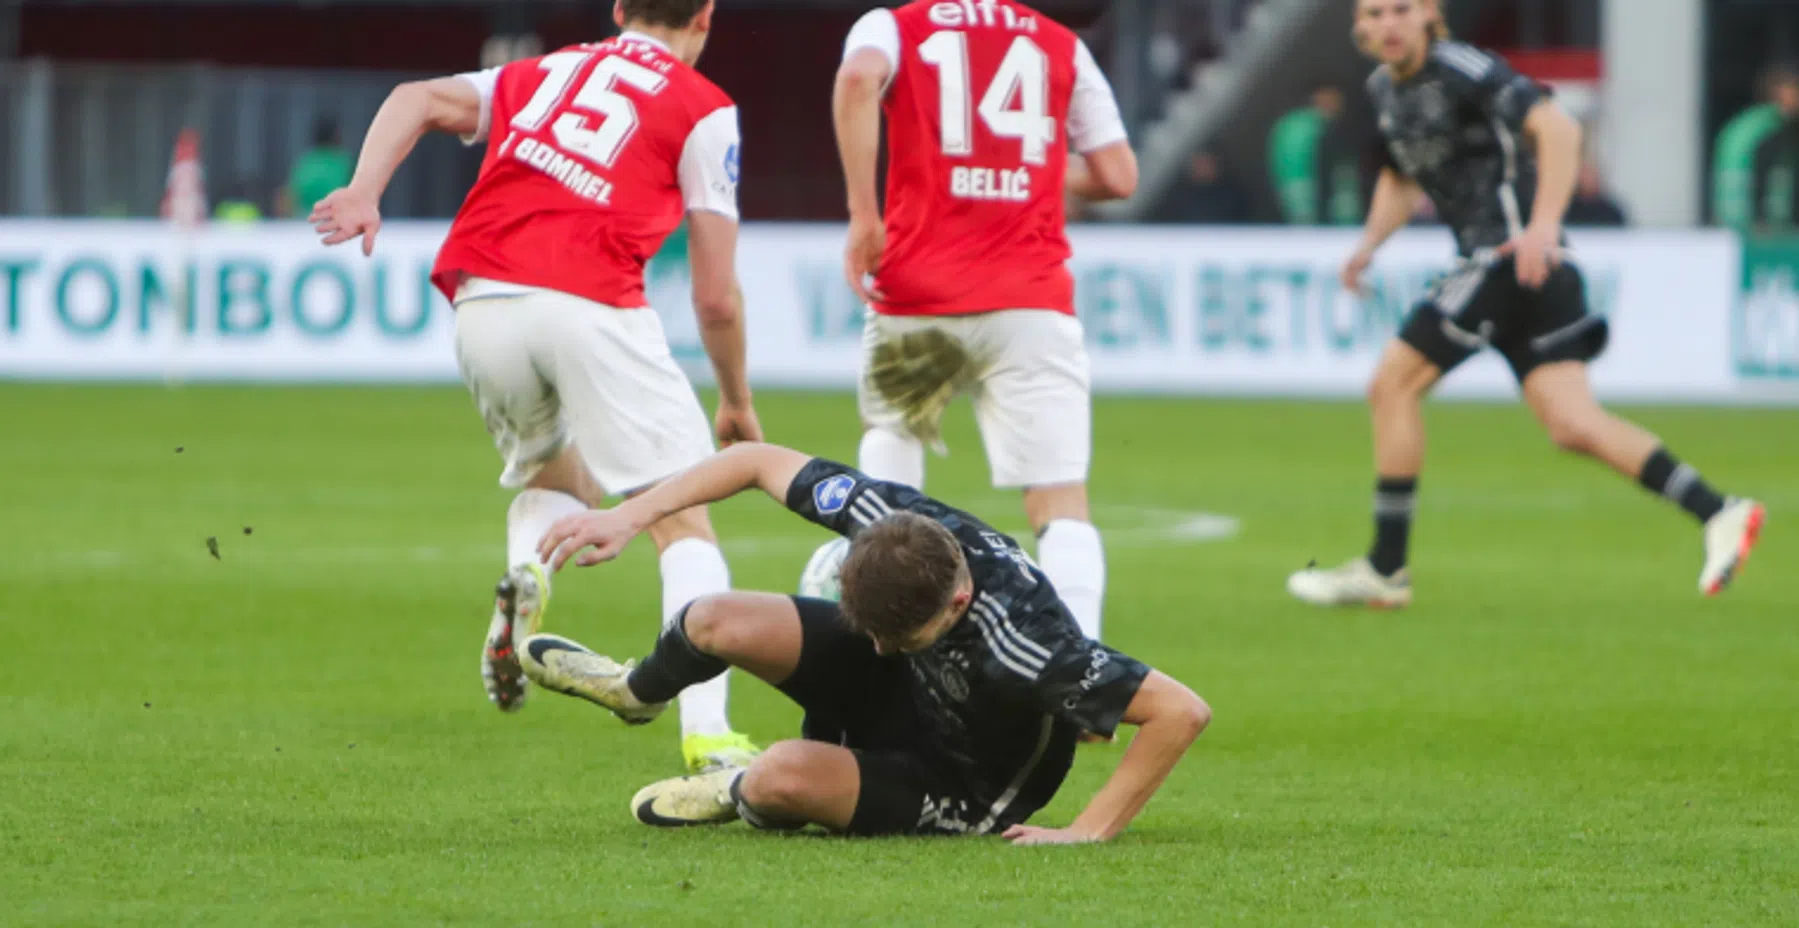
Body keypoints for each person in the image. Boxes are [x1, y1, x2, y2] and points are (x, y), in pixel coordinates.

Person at [309, 0, 763, 772]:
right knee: (684, 523)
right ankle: (709, 736)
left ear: (620, 9)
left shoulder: (547, 69)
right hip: (590, 301)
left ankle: (528, 572)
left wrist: (363, 190)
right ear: (707, 17)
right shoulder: (704, 108)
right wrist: (736, 398)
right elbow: (715, 297)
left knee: (558, 474)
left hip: (482, 301)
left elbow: (415, 98)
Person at [1287, 0, 1766, 608]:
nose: (1388, 23)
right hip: (1528, 269)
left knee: (1392, 387)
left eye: (1402, 9)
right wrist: (1367, 248)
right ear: (1359, 24)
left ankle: (1386, 569)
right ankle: (1719, 510)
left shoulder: (1462, 66)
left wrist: (1542, 226)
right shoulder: (1385, 88)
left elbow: (1557, 127)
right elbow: (1402, 179)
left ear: (1430, 14)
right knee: (1572, 424)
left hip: (1509, 257)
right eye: (1375, 12)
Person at [521, 441, 1211, 842]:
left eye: (899, 636)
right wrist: (632, 516)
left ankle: (733, 787)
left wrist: (1087, 830)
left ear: (958, 604)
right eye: (873, 632)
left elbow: (1180, 711)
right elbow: (756, 459)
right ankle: (635, 691)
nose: (879, 646)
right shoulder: (888, 517)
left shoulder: (1024, 644)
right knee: (713, 618)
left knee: (778, 776)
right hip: (908, 691)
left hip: (962, 774)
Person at [824, 0, 1139, 644]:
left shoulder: (895, 24)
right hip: (1030, 299)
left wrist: (863, 214)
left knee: (889, 466)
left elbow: (857, 79)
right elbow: (1118, 175)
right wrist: (1031, 169)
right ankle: (1081, 680)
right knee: (1059, 504)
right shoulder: (1060, 43)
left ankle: (870, 652)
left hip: (918, 291)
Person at [1713, 64, 1799, 232]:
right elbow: (1763, 172)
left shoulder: (1752, 120)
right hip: (1751, 220)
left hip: (1731, 216)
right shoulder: (1771, 125)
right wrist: (1762, 220)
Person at [1269, 85, 1364, 226]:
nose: (1335, 105)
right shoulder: (1305, 127)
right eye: (1330, 99)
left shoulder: (1297, 123)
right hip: (1303, 185)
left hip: (1304, 187)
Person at [1151, 149, 1250, 224]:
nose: (1202, 167)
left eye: (1207, 163)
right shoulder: (1177, 197)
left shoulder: (1231, 198)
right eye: (1199, 162)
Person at [282, 119, 353, 219]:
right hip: (336, 220)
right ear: (335, 136)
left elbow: (288, 197)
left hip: (304, 221)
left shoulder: (305, 161)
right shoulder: (343, 162)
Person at [1565, 160, 1626, 227]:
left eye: (1592, 175)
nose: (1588, 180)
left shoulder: (1611, 210)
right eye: (1585, 176)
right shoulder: (1568, 208)